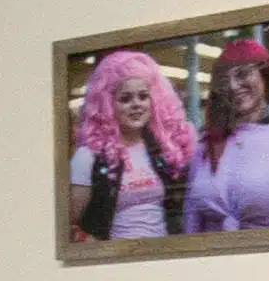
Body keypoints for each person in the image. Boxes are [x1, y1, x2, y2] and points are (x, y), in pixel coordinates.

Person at [70, 48, 198, 244]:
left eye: (143, 96)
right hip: (115, 266)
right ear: (107, 104)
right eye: (125, 98)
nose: (136, 104)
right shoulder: (88, 157)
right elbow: (67, 225)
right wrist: (92, 245)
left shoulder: (162, 150)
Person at [187, 36, 269, 232]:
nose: (233, 86)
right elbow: (192, 220)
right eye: (224, 79)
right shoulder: (205, 142)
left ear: (265, 76)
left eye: (243, 74)